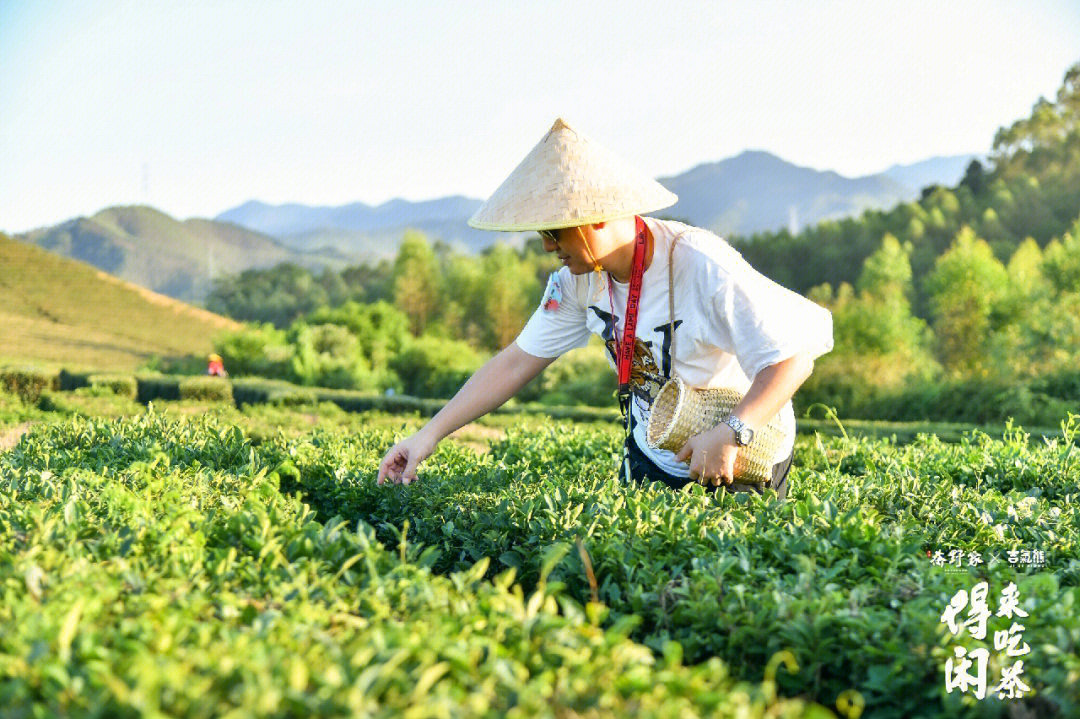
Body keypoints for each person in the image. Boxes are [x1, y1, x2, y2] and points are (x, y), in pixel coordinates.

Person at [377, 118, 833, 499]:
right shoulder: (577, 280)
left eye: (554, 233)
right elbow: (516, 362)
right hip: (653, 449)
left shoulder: (701, 266)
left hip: (733, 454)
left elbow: (790, 361)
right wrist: (427, 436)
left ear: (595, 216)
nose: (545, 247)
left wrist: (734, 430)